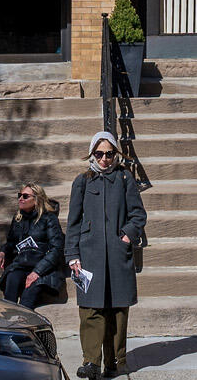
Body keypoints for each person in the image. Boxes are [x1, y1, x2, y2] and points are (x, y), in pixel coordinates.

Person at [68, 130, 145, 380]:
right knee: (90, 309)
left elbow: (138, 214)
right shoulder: (82, 181)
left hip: (117, 255)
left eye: (109, 154)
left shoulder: (124, 178)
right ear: (92, 154)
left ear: (116, 154)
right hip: (89, 255)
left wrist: (126, 236)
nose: (104, 159)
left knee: (117, 310)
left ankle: (113, 361)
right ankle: (91, 362)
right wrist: (72, 254)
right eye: (99, 154)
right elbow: (73, 222)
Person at [0, 182, 65, 310]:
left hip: (43, 269)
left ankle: (23, 321)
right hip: (21, 265)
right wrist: (2, 252)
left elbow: (56, 249)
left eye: (25, 196)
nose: (20, 199)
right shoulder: (18, 218)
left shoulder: (49, 219)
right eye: (19, 195)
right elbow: (11, 243)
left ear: (36, 200)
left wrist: (37, 272)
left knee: (27, 301)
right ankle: (7, 317)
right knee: (12, 280)